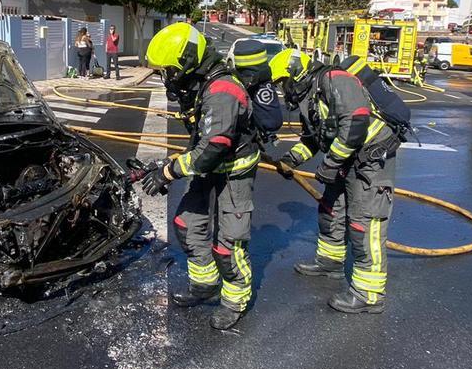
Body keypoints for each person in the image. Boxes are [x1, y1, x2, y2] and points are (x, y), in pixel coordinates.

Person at [140, 22, 259, 330]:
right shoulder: (201, 86)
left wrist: (169, 172)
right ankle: (204, 285)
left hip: (233, 171)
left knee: (227, 244)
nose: (166, 77)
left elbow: (213, 148)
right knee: (186, 224)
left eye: (168, 70)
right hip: (208, 166)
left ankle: (234, 301)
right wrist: (169, 163)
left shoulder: (223, 92)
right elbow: (201, 142)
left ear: (186, 63)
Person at [271, 48, 398, 314]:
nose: (284, 90)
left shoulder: (334, 80)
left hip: (369, 160)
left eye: (283, 83)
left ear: (295, 73)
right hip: (346, 159)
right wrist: (290, 160)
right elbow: (313, 140)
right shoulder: (311, 96)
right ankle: (330, 261)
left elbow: (355, 124)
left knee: (365, 224)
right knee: (331, 210)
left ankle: (369, 294)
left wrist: (330, 164)